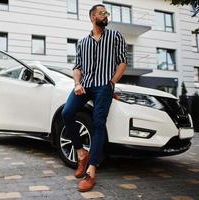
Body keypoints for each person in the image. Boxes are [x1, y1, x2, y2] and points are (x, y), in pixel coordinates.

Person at [62, 4, 127, 192]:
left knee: (99, 123)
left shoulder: (115, 36)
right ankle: (82, 154)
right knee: (67, 113)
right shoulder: (82, 42)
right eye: (101, 13)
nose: (105, 16)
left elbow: (122, 61)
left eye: (106, 13)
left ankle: (91, 171)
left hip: (104, 86)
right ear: (92, 17)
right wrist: (77, 83)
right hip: (85, 84)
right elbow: (77, 66)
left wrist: (112, 82)